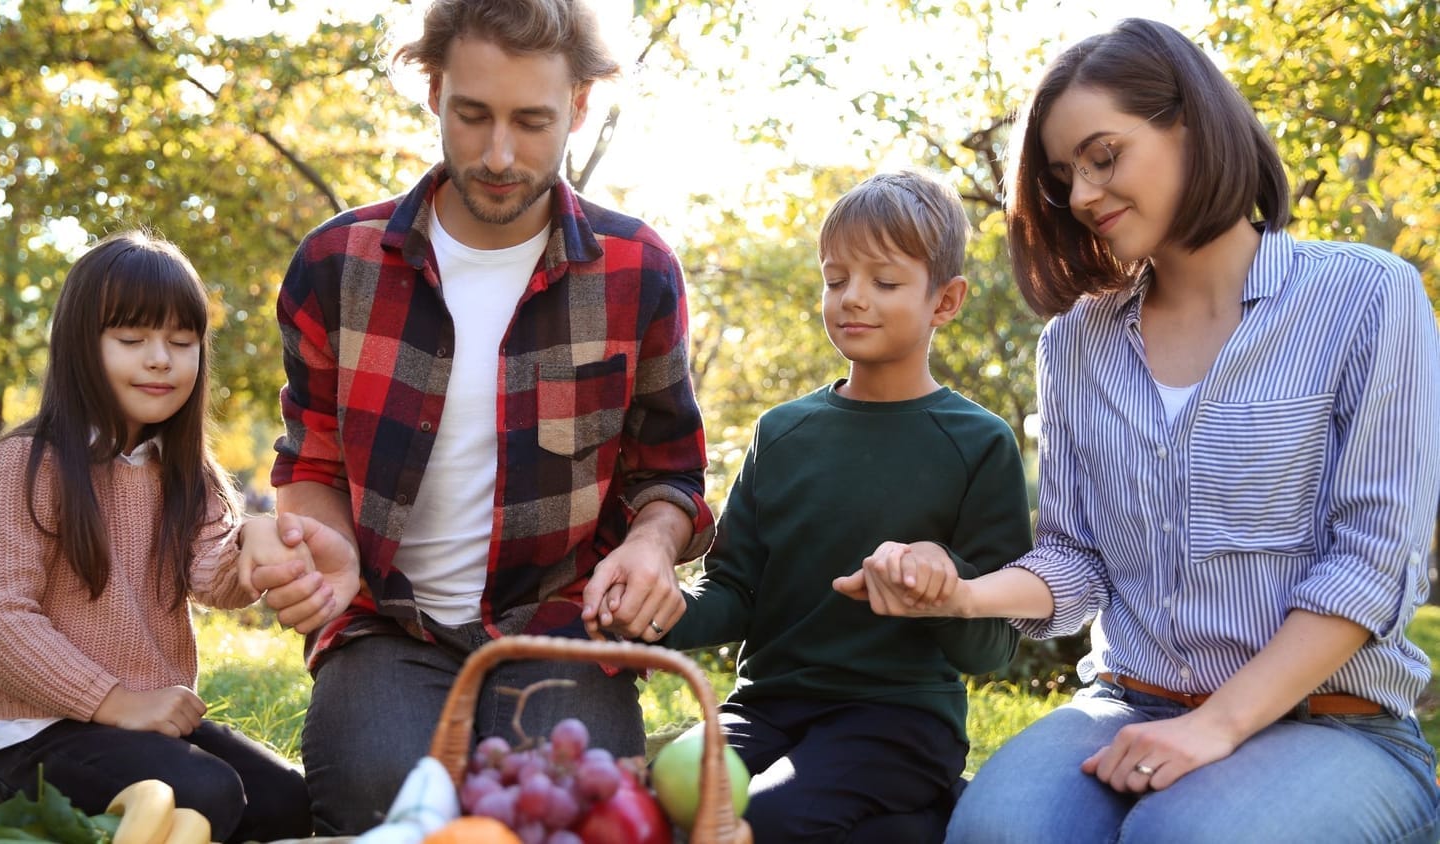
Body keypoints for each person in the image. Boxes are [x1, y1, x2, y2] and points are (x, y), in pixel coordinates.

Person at [835, 17, 1440, 843]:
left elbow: (1371, 564)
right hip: (1127, 699)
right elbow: (1076, 558)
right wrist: (964, 591)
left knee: (1187, 836)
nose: (1081, 193)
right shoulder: (1076, 342)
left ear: (1190, 126)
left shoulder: (1369, 298)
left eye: (1102, 156)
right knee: (997, 832)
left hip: (1336, 722)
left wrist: (1216, 725)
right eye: (1062, 175)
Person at [243, 0, 715, 833]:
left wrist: (650, 546)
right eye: (473, 115)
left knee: (574, 807)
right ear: (432, 90)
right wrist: (324, 551)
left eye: (532, 121)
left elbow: (667, 471)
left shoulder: (639, 270)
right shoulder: (332, 266)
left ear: (577, 106)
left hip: (564, 619)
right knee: (380, 798)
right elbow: (310, 463)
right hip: (387, 622)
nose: (500, 155)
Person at [658, 169, 1031, 843]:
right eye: (836, 280)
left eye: (885, 283)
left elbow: (992, 649)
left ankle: (921, 808)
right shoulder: (784, 432)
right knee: (668, 802)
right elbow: (734, 590)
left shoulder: (980, 444)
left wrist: (943, 580)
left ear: (945, 301)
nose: (853, 300)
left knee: (762, 818)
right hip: (766, 708)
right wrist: (659, 611)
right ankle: (920, 823)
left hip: (899, 722)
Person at [0, 230, 313, 843]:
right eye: (131, 340)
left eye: (181, 342)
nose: (160, 360)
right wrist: (115, 701)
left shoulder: (184, 475)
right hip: (33, 735)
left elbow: (215, 578)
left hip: (143, 723)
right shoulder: (21, 467)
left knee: (289, 802)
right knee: (207, 792)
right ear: (78, 347)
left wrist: (254, 544)